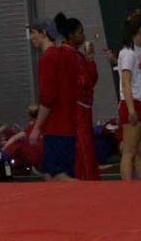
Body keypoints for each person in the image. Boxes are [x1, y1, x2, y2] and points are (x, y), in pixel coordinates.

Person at [27, 15, 80, 181]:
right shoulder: (66, 55)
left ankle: (91, 196)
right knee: (50, 175)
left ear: (43, 33)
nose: (30, 37)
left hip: (56, 127)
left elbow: (48, 98)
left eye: (33, 33)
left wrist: (36, 127)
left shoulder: (48, 58)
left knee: (58, 176)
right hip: (68, 126)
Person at [54, 12, 100, 180]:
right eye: (80, 32)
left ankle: (87, 177)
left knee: (86, 146)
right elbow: (80, 82)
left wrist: (89, 59)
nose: (83, 35)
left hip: (84, 107)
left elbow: (91, 81)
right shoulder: (65, 55)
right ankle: (88, 181)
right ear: (71, 35)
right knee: (83, 146)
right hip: (75, 108)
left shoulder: (78, 56)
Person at [117, 8, 141, 181]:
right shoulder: (128, 53)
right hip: (131, 103)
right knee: (129, 150)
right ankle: (128, 188)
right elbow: (126, 82)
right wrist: (131, 109)